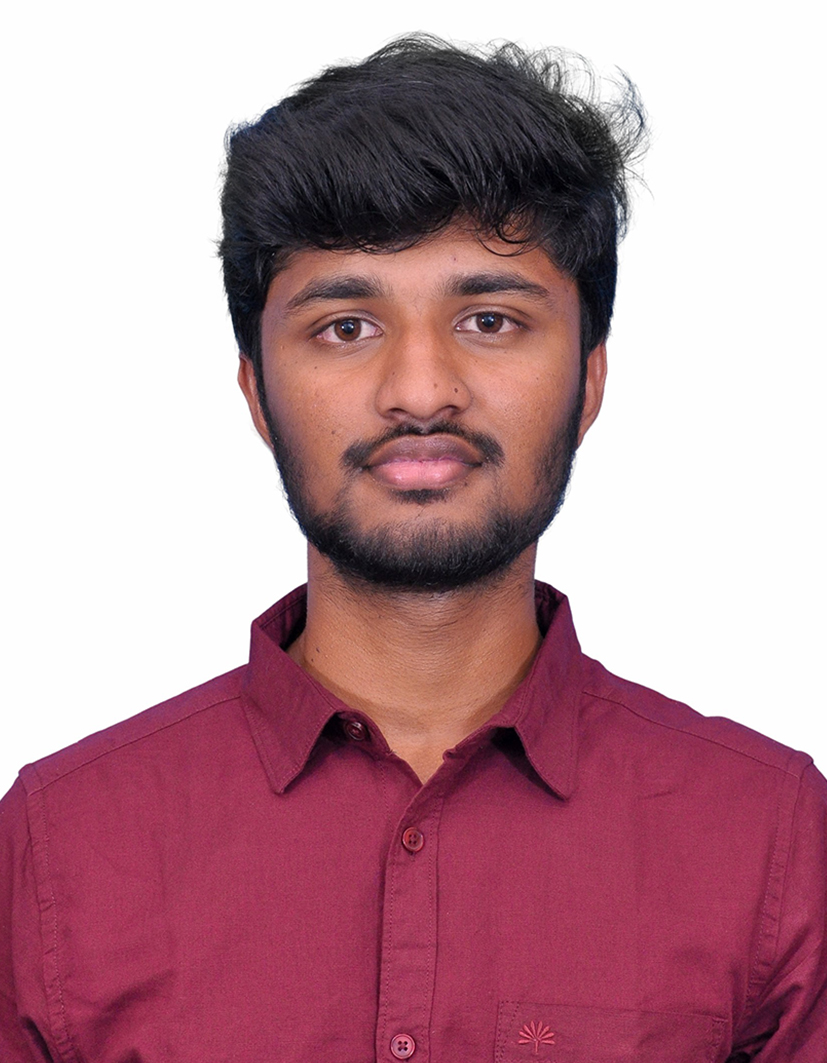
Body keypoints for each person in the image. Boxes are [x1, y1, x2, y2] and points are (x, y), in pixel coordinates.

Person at [1, 34, 824, 1062]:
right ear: (256, 391)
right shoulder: (59, 846)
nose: (421, 389)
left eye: (489, 319)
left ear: (588, 381)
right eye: (345, 326)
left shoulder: (769, 838)